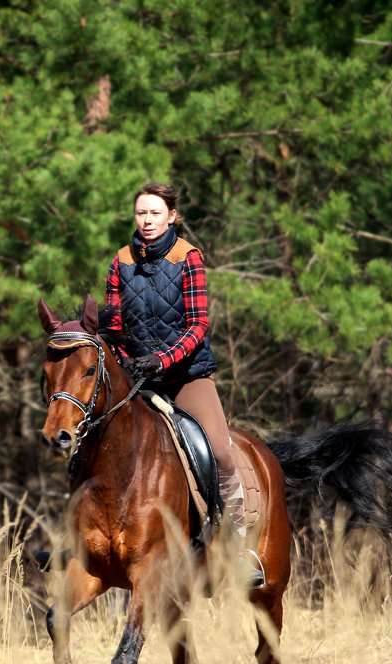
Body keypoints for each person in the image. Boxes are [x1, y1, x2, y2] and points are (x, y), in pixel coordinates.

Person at [101, 182, 262, 585]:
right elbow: (116, 326)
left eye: (155, 213)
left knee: (222, 454)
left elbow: (197, 327)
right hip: (137, 376)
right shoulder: (119, 262)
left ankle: (237, 547)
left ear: (171, 216)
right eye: (141, 213)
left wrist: (162, 359)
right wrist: (123, 360)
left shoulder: (189, 258)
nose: (147, 220)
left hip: (187, 376)